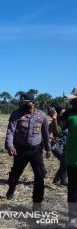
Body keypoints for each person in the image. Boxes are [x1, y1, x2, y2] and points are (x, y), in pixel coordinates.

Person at [5, 93, 51, 206]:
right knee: (15, 173)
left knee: (40, 175)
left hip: (36, 150)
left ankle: (37, 203)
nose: (24, 106)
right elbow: (10, 131)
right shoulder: (16, 114)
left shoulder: (42, 115)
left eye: (27, 104)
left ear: (33, 103)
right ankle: (11, 187)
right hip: (20, 149)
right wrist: (10, 146)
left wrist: (48, 149)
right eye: (22, 103)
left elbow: (45, 133)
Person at [52, 87, 77, 227]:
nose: (72, 102)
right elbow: (57, 133)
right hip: (73, 158)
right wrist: (55, 119)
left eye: (74, 99)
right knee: (73, 190)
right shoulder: (68, 114)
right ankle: (72, 218)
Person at [48, 106, 68, 186]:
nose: (64, 114)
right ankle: (61, 180)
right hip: (56, 146)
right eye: (62, 113)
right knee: (64, 160)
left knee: (65, 161)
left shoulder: (67, 122)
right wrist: (52, 137)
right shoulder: (53, 123)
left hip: (65, 145)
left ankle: (58, 179)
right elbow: (46, 134)